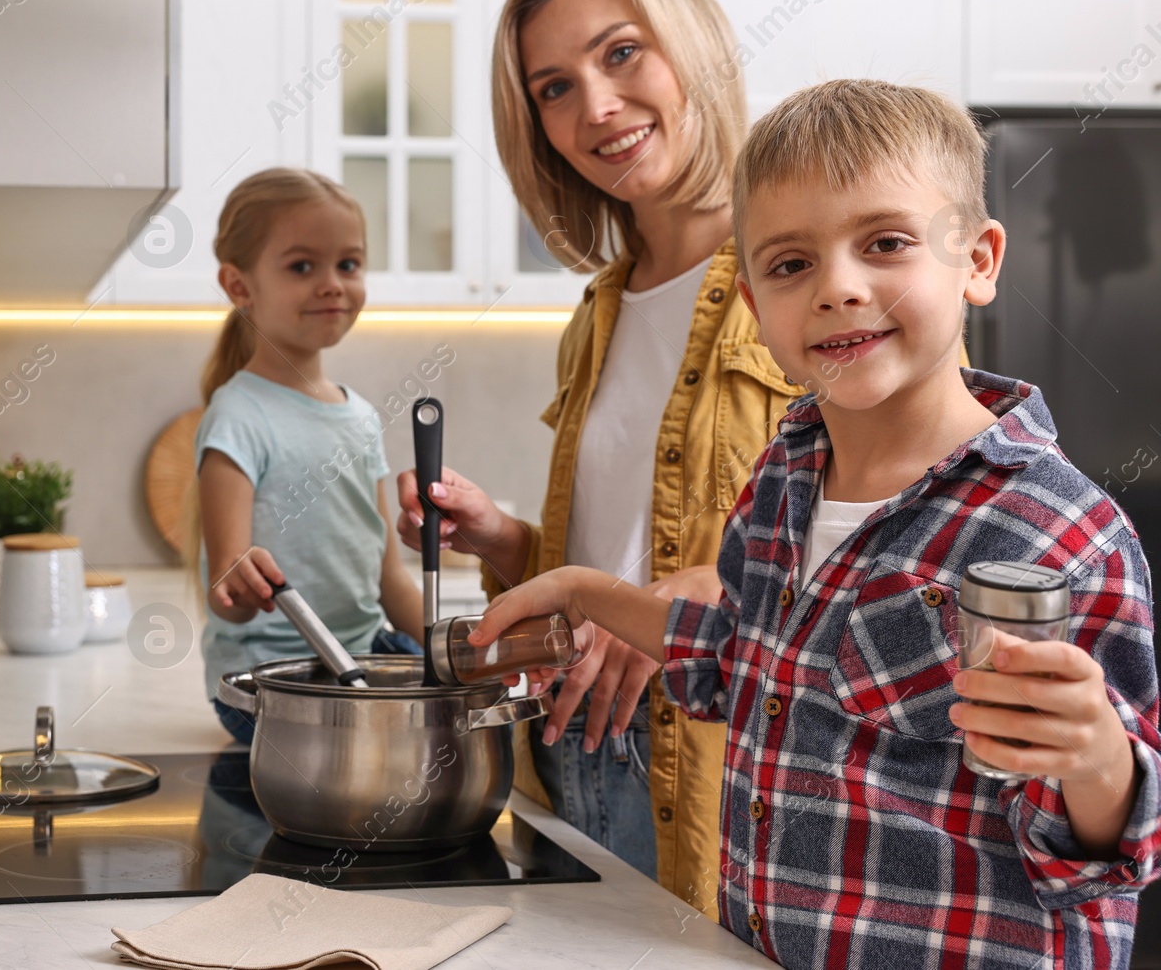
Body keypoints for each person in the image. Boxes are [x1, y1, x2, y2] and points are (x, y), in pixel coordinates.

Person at [469, 79, 1161, 969]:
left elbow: (1110, 854)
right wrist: (582, 592)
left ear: (980, 261)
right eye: (792, 264)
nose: (838, 287)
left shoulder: (1056, 533)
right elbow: (734, 657)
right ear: (757, 309)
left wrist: (1098, 758)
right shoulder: (784, 477)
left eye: (886, 244)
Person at [396, 0, 797, 913]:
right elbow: (603, 563)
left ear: (689, 41)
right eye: (554, 87)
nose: (596, 107)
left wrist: (693, 590)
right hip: (574, 759)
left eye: (621, 52)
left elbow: (915, 543)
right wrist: (502, 539)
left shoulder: (810, 269)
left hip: (723, 782)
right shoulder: (599, 311)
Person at [192, 168, 423, 745]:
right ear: (239, 286)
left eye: (348, 264)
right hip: (268, 685)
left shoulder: (363, 416)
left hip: (366, 657)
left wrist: (462, 656)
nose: (332, 284)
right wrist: (241, 585)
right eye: (302, 267)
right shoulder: (238, 415)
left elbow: (389, 579)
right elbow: (228, 594)